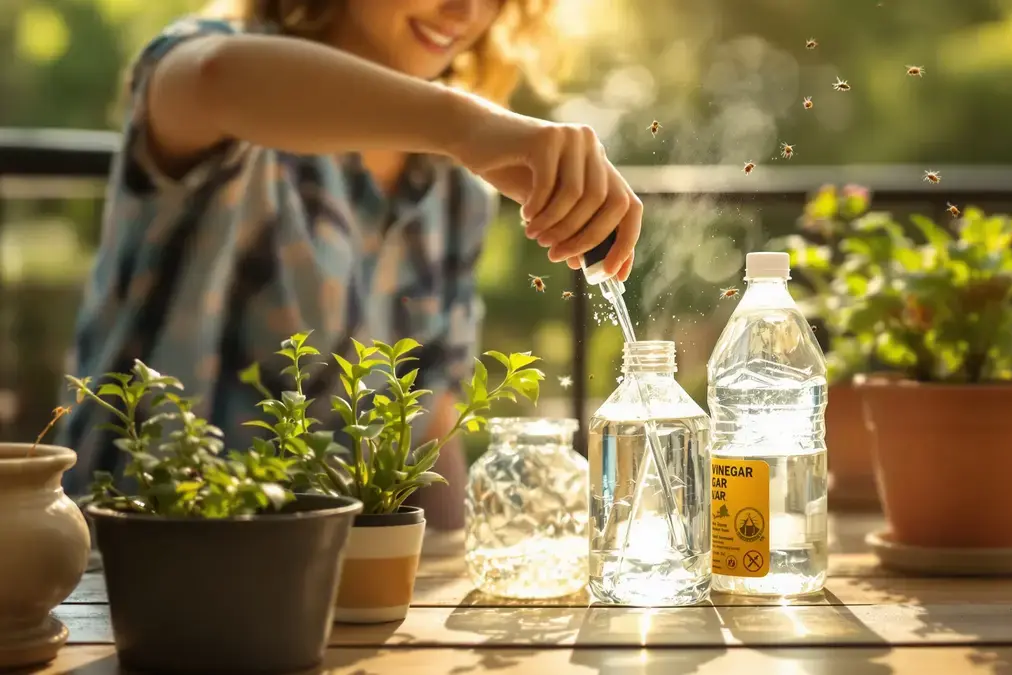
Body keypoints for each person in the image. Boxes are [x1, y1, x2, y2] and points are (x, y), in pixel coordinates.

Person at [59, 0, 643, 529]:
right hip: (136, 570)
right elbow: (215, 77)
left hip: (343, 591)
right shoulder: (223, 73)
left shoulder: (454, 192)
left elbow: (429, 435)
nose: (465, 10)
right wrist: (467, 127)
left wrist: (463, 569)